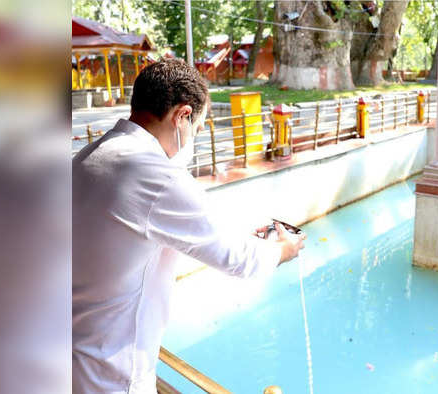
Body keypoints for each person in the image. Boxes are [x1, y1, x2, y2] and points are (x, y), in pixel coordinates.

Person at [72, 59, 306, 393]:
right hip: (114, 375)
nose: (193, 138)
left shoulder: (89, 157)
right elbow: (240, 260)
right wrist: (284, 249)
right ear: (182, 116)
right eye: (195, 129)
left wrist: (238, 231)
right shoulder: (154, 174)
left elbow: (146, 227)